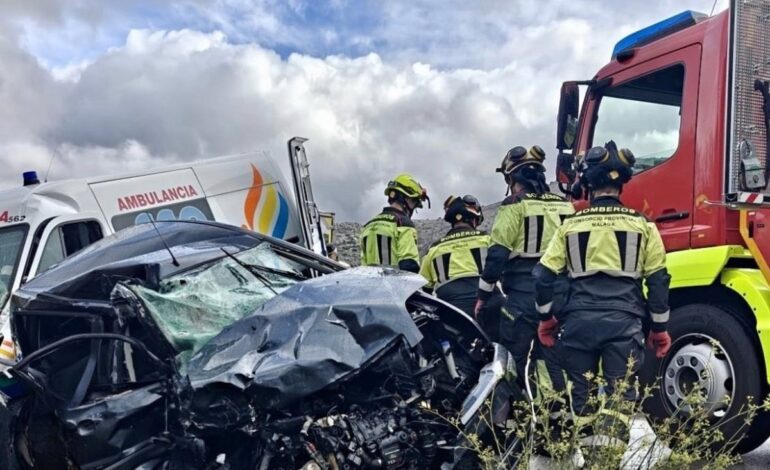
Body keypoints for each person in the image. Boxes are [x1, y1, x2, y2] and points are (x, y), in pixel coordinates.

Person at [533, 141, 672, 415]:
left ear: (587, 183)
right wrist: (659, 329)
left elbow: (542, 277)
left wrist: (546, 319)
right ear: (623, 184)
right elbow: (657, 281)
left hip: (578, 324)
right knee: (620, 399)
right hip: (625, 324)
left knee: (582, 399)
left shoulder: (570, 226)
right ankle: (609, 455)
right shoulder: (643, 226)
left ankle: (589, 453)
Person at [475, 145, 575, 393]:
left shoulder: (514, 205)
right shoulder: (565, 205)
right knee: (551, 358)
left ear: (511, 178)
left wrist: (483, 296)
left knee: (511, 360)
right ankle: (554, 417)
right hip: (561, 295)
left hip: (522, 297)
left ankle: (511, 419)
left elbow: (497, 255)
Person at [420, 195, 493, 317]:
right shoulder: (487, 240)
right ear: (473, 220)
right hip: (488, 309)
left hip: (451, 315)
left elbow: (424, 288)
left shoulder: (434, 250)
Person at [360, 174, 429, 273]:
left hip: (372, 286)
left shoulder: (368, 225)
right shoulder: (403, 224)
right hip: (395, 286)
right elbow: (409, 265)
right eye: (414, 203)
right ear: (407, 199)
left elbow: (363, 265)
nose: (413, 208)